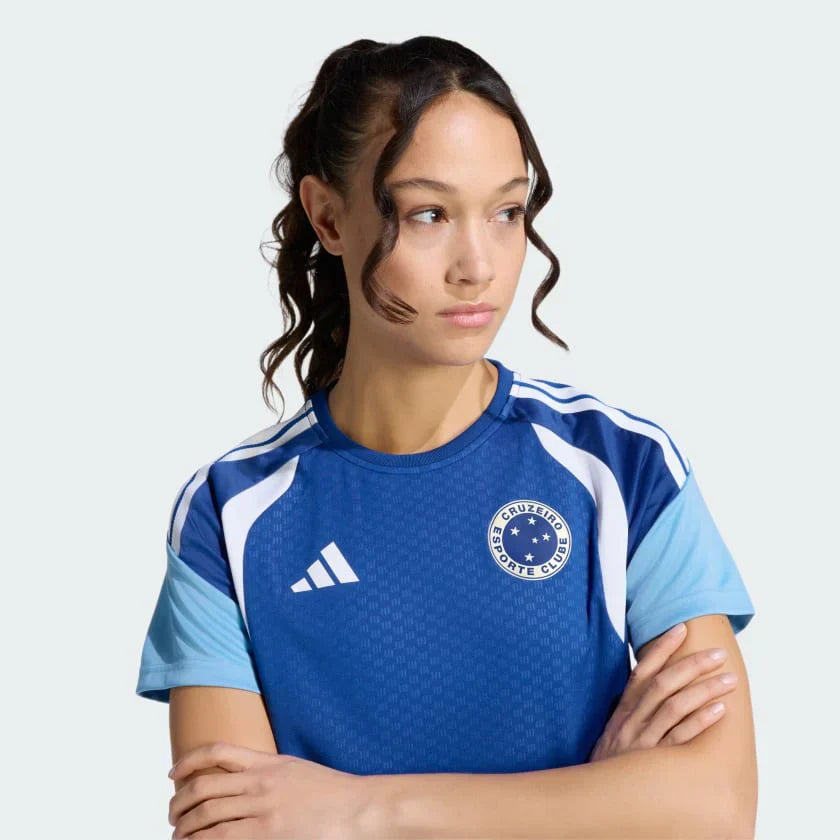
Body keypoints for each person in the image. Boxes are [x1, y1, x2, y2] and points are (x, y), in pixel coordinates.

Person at [136, 36, 755, 782]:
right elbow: (234, 828)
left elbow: (717, 806)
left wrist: (353, 812)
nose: (479, 266)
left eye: (507, 211)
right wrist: (597, 802)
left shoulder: (625, 466)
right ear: (328, 218)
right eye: (429, 213)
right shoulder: (228, 513)